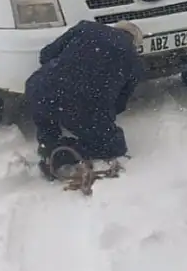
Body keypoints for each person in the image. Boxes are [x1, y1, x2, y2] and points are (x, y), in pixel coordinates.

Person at [24, 19, 146, 180]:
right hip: (80, 104)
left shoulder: (86, 28)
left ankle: (48, 145)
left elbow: (45, 55)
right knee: (115, 145)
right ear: (135, 43)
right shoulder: (135, 63)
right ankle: (62, 154)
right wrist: (98, 125)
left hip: (39, 89)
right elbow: (118, 105)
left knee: (46, 118)